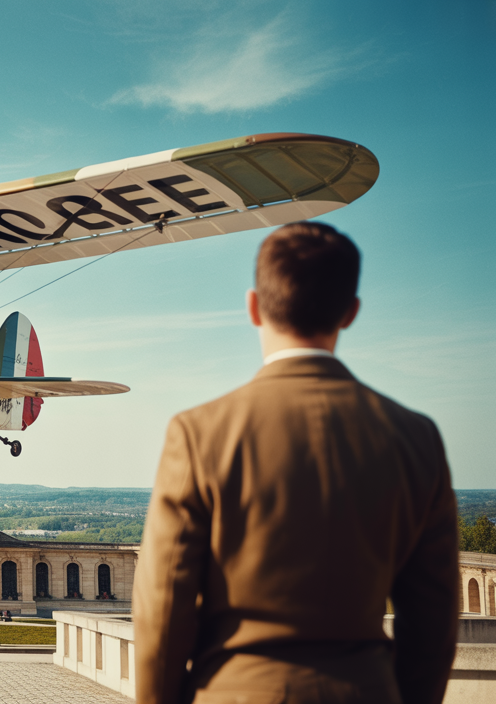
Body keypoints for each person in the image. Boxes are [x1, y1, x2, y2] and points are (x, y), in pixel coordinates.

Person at [133, 222, 459, 704]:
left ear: (253, 307)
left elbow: (162, 610)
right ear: (350, 312)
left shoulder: (199, 432)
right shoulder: (416, 436)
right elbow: (434, 620)